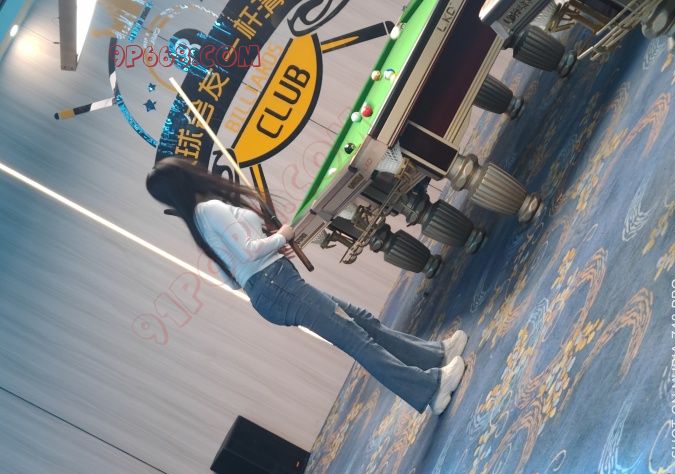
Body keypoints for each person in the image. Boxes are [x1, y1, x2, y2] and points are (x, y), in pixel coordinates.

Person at [145, 157, 468, 415]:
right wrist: (280, 237)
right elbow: (249, 251)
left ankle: (434, 356)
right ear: (185, 179)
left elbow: (230, 278)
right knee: (357, 339)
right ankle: (430, 389)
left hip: (270, 290)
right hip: (277, 285)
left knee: (361, 322)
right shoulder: (210, 210)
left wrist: (268, 254)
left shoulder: (198, 222)